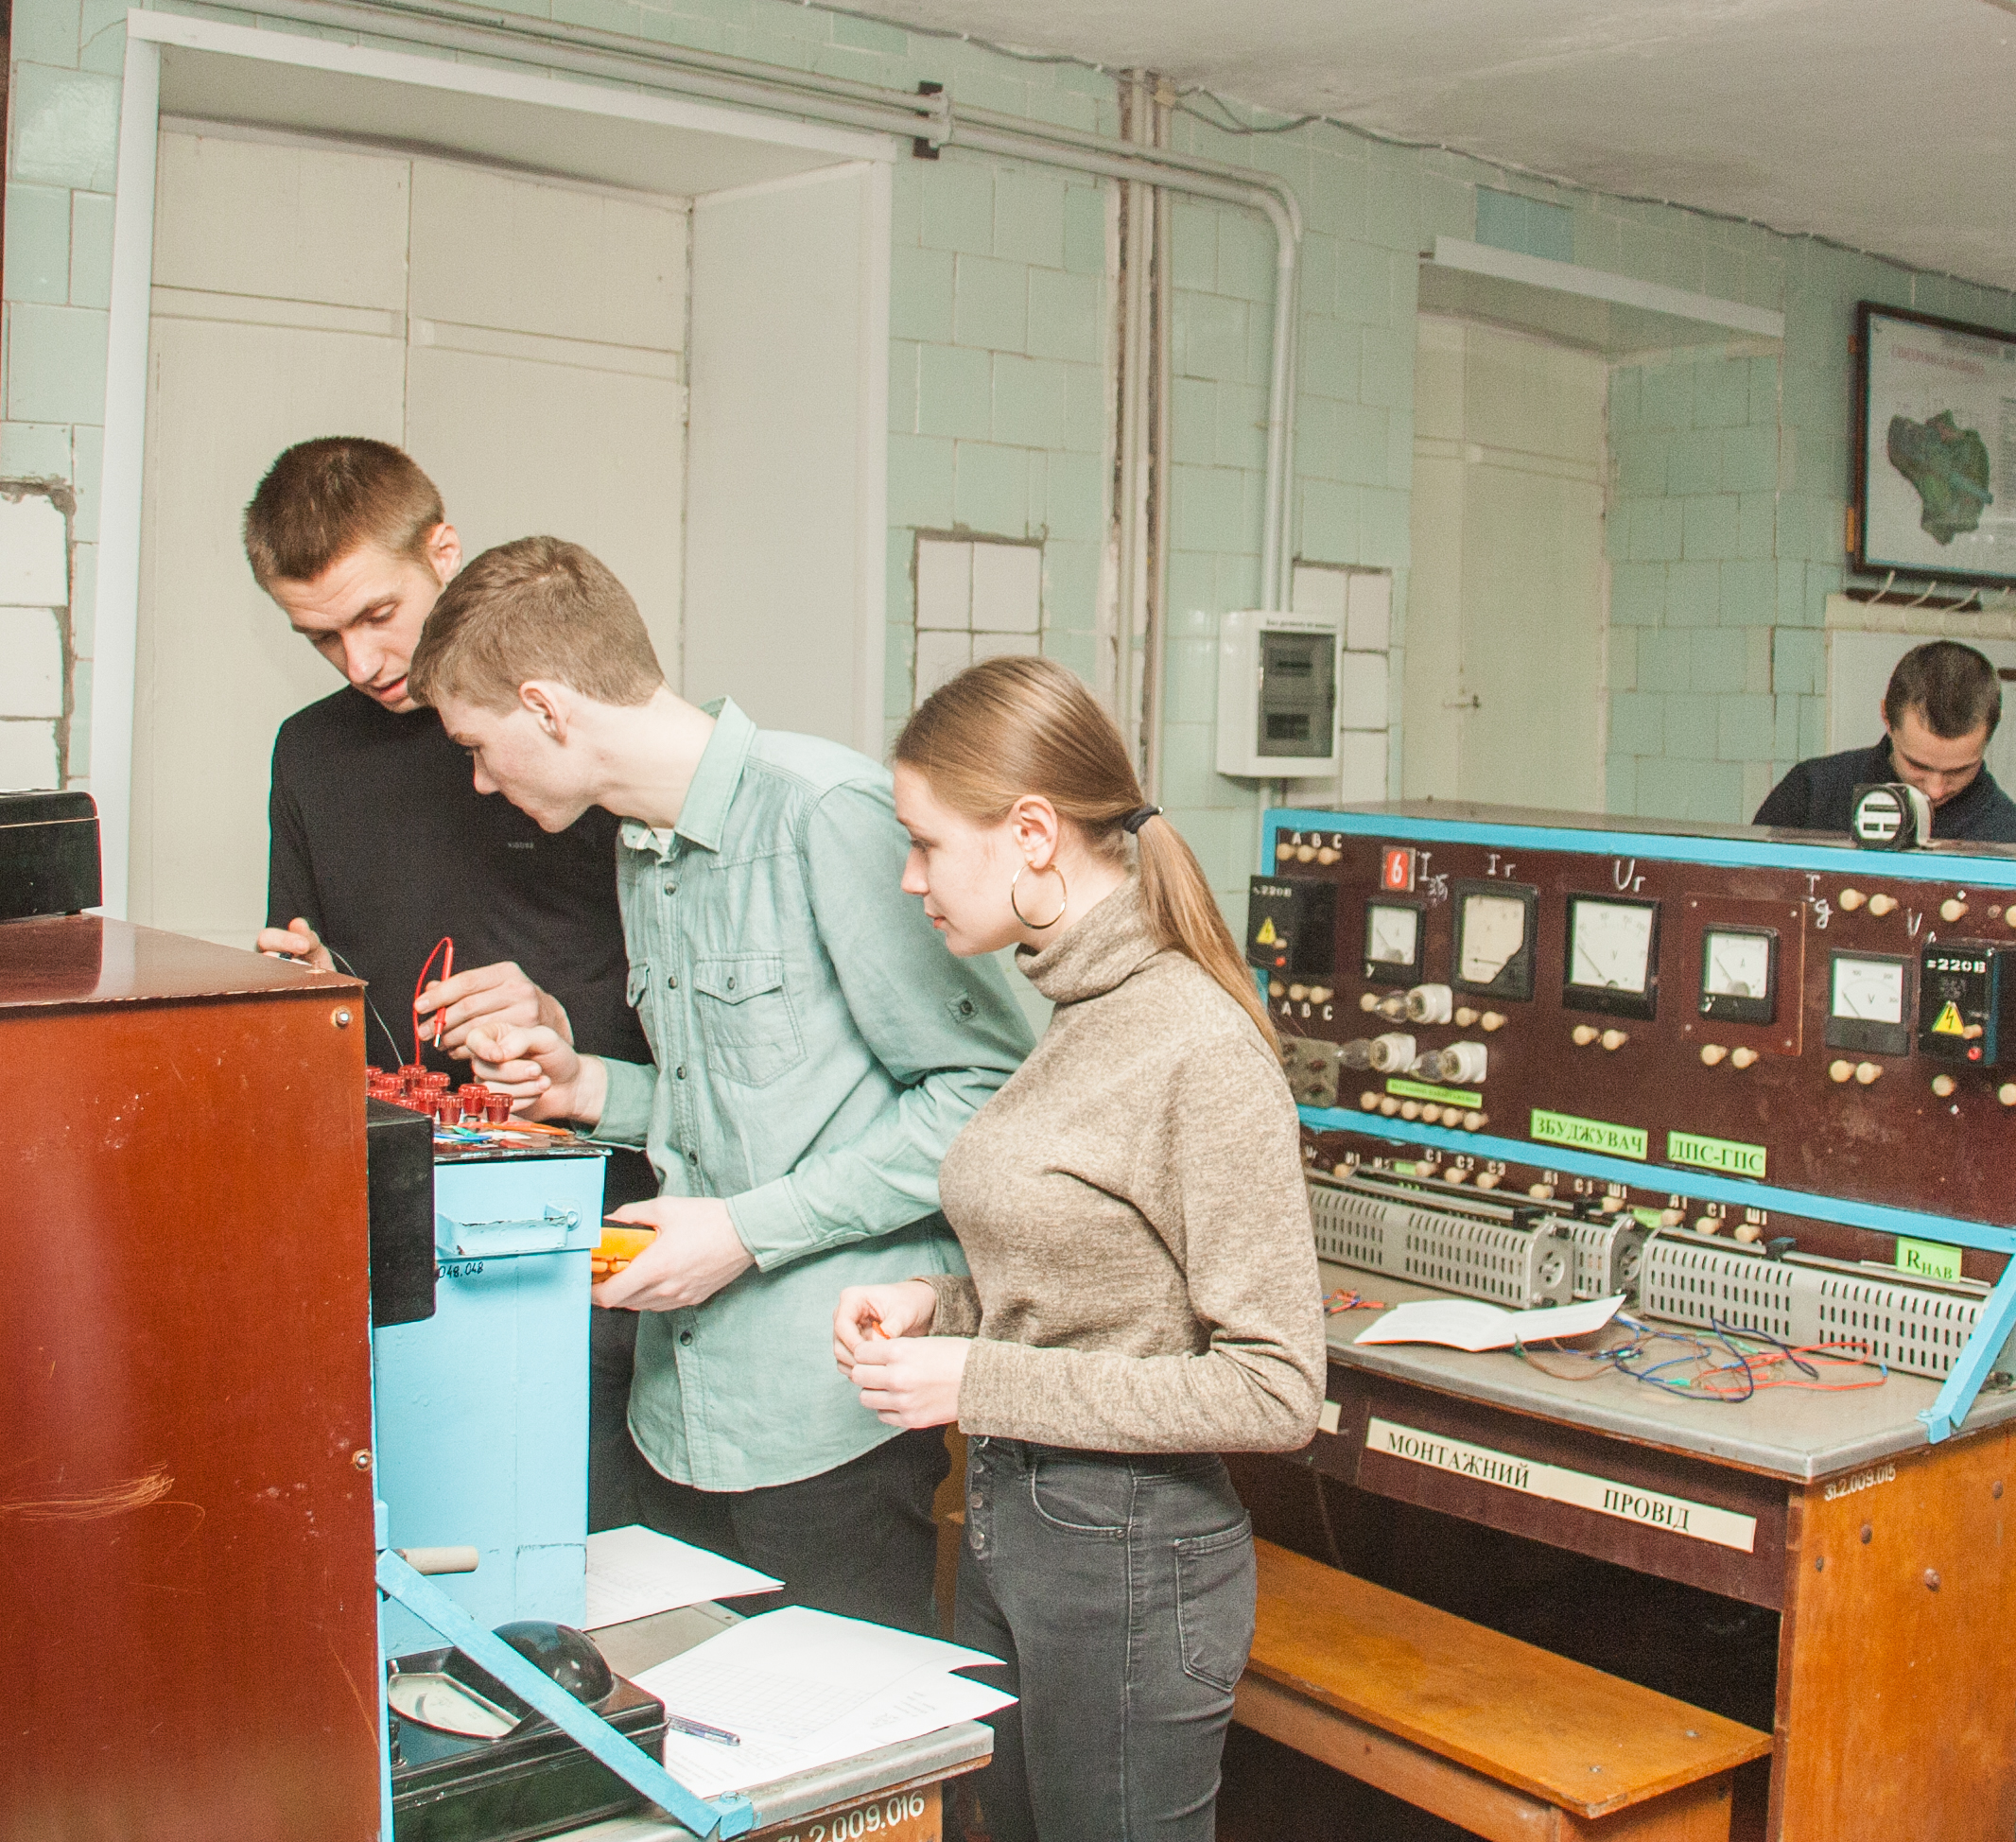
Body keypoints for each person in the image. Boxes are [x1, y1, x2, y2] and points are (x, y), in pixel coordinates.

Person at [417, 535, 1032, 1633]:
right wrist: (584, 1087)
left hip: (827, 1420)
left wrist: (746, 1233)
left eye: (476, 744)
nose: (478, 780)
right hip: (678, 1417)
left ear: (545, 708)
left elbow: (986, 1099)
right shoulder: (639, 847)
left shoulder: (826, 813)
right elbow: (743, 1108)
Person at [834, 654, 1326, 1842]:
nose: (909, 878)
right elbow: (1103, 1279)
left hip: (1133, 1566)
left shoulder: (1195, 1043)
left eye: (926, 843)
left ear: (1033, 833)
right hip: (1021, 1531)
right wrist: (941, 1304)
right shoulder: (1080, 1006)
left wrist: (979, 1378)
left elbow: (1277, 1390)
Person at [242, 436, 662, 1533]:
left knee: (585, 1543)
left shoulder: (566, 723)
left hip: (594, 1216)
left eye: (377, 614)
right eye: (320, 635)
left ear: (443, 550)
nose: (360, 661)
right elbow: (317, 970)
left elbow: (687, 1006)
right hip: (406, 1220)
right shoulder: (308, 754)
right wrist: (307, 995)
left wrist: (562, 1026)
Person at [1752, 639, 2016, 843]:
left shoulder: (2013, 842)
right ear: (1886, 718)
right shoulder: (1811, 794)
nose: (1935, 790)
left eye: (1959, 771)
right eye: (1917, 765)